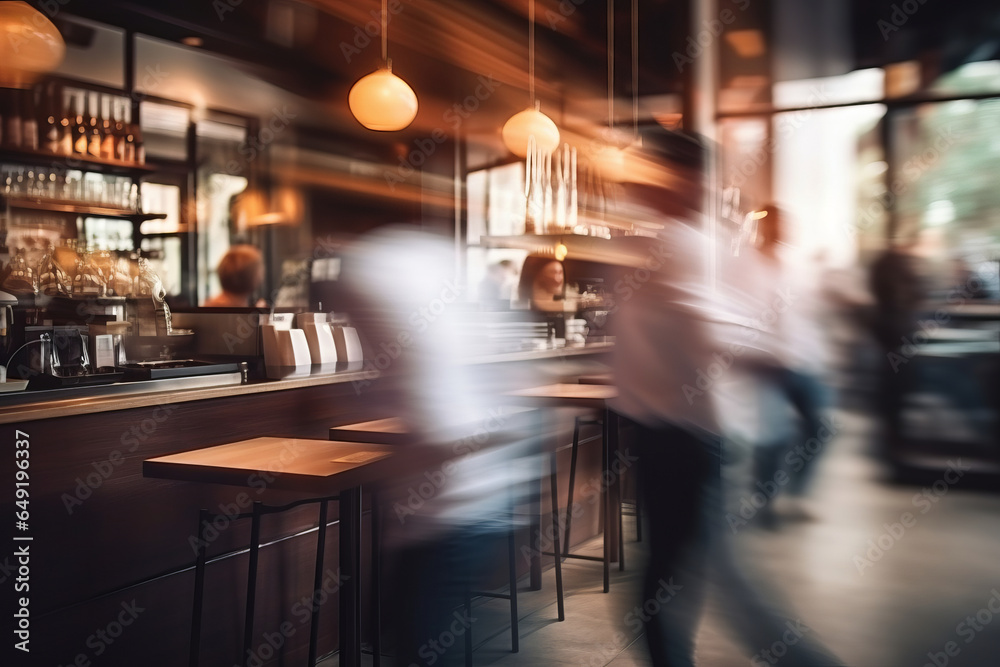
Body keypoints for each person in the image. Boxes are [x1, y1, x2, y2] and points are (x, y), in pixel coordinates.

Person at [612, 129, 847, 667]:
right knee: (706, 577)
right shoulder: (677, 240)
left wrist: (768, 352)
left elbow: (710, 322)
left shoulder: (678, 239)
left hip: (675, 433)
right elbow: (710, 326)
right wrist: (775, 354)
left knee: (686, 574)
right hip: (681, 434)